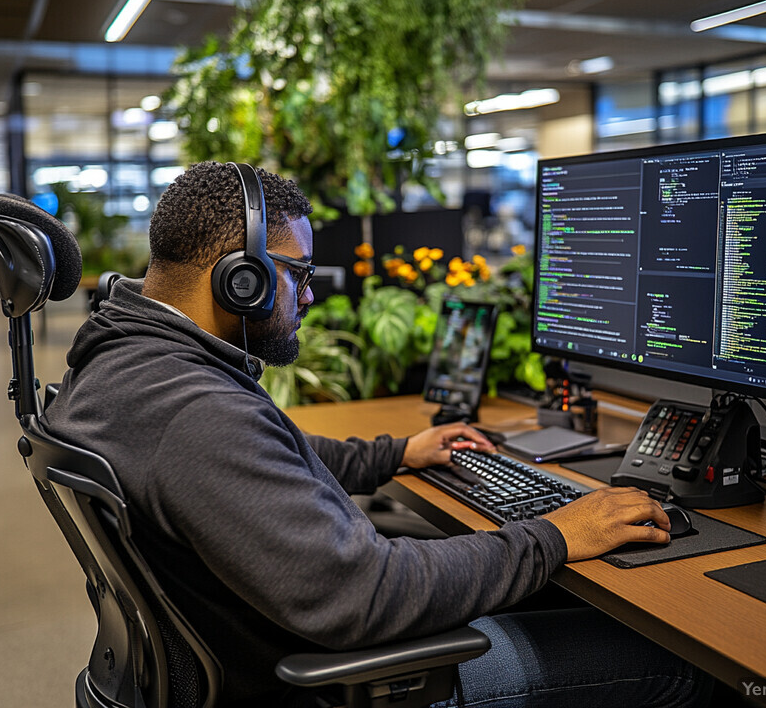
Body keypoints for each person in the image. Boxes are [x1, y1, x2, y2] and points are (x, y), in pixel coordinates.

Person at [42, 161, 712, 707]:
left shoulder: (126, 362)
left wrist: (394, 454)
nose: (308, 299)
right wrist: (558, 534)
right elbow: (366, 594)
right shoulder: (194, 415)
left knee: (541, 588)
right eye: (298, 276)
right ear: (238, 279)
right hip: (346, 675)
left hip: (268, 641)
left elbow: (261, 460)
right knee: (676, 659)